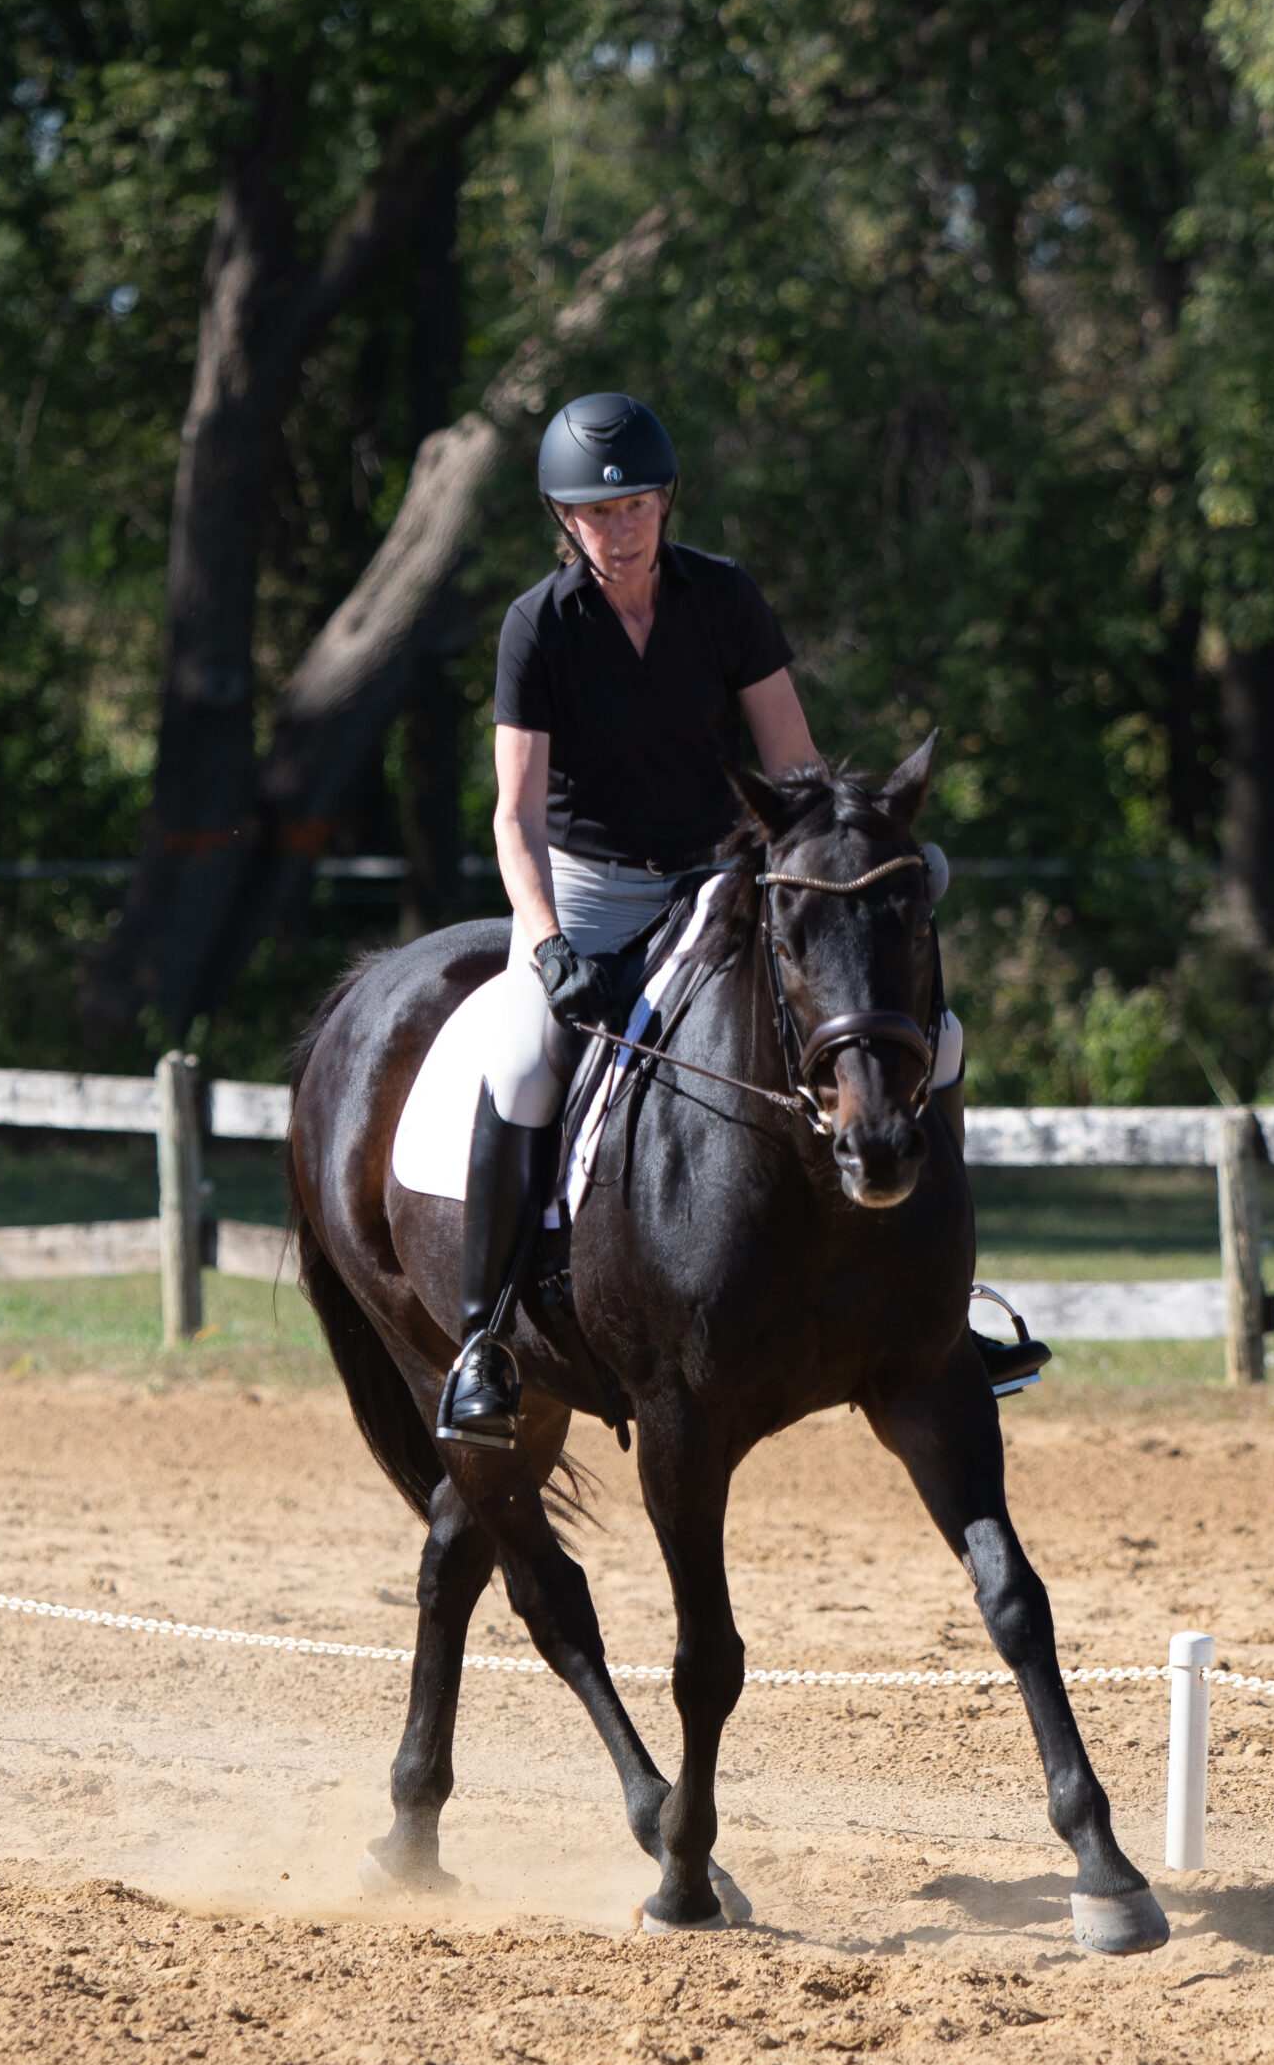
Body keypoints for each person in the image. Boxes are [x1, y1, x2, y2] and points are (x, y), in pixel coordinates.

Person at [437, 391, 1044, 1447]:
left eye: (637, 508)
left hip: (721, 875)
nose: (619, 530)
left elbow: (796, 768)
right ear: (564, 521)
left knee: (932, 1037)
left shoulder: (723, 598)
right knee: (527, 1056)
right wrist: (544, 943)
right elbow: (515, 815)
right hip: (590, 883)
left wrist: (850, 850)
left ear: (667, 503)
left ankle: (944, 1308)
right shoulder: (538, 626)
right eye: (596, 513)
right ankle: (483, 1340)